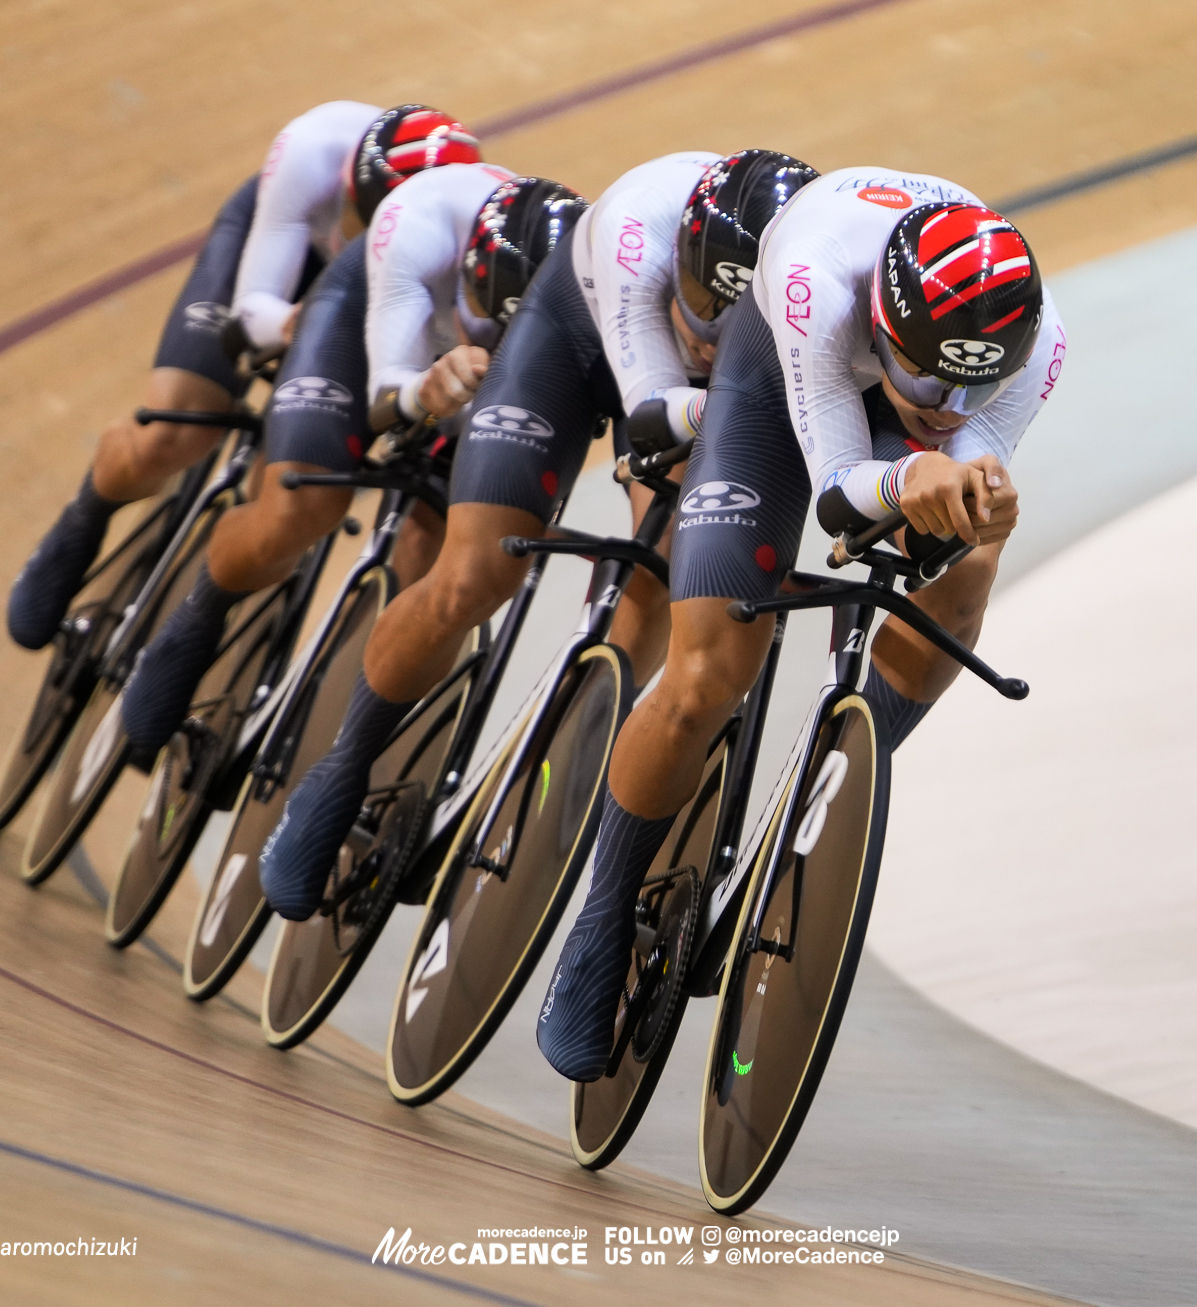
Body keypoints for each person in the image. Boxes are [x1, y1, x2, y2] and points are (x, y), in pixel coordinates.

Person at [536, 169, 1070, 1080]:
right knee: (707, 673)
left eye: (967, 390)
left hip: (883, 396)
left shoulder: (1035, 338)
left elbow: (964, 461)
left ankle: (843, 772)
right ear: (885, 324)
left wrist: (973, 488)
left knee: (972, 555)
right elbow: (836, 491)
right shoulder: (817, 280)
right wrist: (911, 477)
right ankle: (602, 915)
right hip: (774, 387)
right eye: (922, 373)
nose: (942, 404)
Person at [254, 149, 818, 924]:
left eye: (739, 316)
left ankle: (583, 732)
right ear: (682, 252)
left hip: (702, 396)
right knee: (475, 575)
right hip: (585, 340)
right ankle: (342, 769)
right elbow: (651, 410)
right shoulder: (634, 228)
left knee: (668, 572)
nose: (716, 335)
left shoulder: (806, 288)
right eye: (704, 302)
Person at [117, 166, 591, 760]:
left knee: (450, 548)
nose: (483, 327)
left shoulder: (586, 298)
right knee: (302, 506)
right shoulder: (421, 225)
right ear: (466, 265)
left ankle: (358, 737)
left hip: (480, 383)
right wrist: (425, 395)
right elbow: (384, 395)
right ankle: (197, 616)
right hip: (367, 323)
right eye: (478, 307)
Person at [3, 102, 481, 650]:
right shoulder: (313, 150)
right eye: (363, 221)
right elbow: (250, 316)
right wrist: (297, 322)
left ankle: (215, 626)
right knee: (173, 433)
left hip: (383, 308)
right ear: (348, 183)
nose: (371, 246)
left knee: (290, 510)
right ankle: (85, 517)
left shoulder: (460, 247)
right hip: (288, 266)